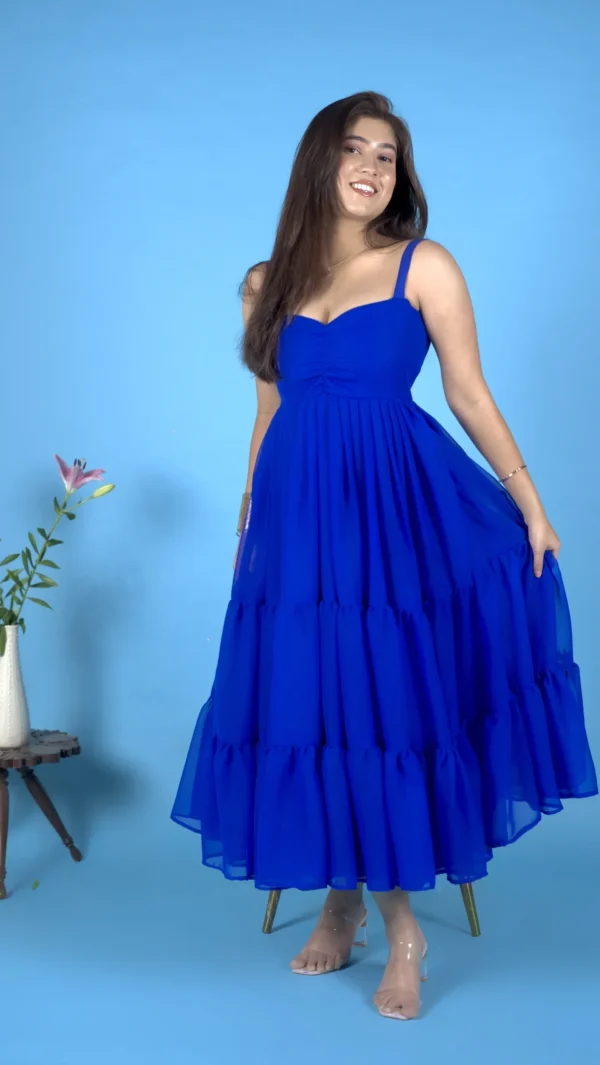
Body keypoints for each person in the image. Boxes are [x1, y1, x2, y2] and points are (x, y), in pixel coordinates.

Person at [172, 91, 597, 1020]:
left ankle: (403, 930)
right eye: (355, 148)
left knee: (382, 700)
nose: (371, 167)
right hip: (298, 526)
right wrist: (252, 526)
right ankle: (342, 899)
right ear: (319, 160)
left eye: (388, 155)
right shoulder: (265, 282)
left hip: (390, 517)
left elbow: (468, 393)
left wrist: (532, 506)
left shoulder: (423, 265)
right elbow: (268, 414)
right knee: (314, 700)